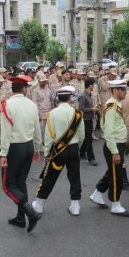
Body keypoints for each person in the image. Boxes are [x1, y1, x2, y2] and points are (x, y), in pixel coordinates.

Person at [33, 86, 85, 216]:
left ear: (58, 98)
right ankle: (75, 205)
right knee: (75, 177)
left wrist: (46, 153)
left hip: (58, 150)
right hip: (73, 149)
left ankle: (39, 204)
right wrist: (76, 146)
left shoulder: (52, 113)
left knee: (49, 177)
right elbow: (82, 135)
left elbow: (49, 136)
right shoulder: (78, 113)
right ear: (69, 98)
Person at [0, 75, 42, 233]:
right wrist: (37, 148)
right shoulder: (32, 104)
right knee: (20, 182)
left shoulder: (8, 104)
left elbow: (5, 132)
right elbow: (37, 129)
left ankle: (29, 212)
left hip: (14, 148)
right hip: (28, 145)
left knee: (7, 185)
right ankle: (20, 217)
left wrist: (3, 154)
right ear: (24, 89)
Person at [90, 78, 129, 217]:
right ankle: (115, 204)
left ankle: (97, 194)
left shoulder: (116, 104)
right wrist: (115, 152)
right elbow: (108, 131)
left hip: (117, 144)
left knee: (112, 172)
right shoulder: (111, 107)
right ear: (115, 91)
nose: (125, 92)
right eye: (122, 89)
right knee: (116, 176)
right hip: (114, 145)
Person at [78, 77, 98, 166]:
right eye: (93, 85)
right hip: (85, 120)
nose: (94, 86)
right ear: (90, 85)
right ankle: (91, 158)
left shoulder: (89, 95)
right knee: (89, 140)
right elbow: (81, 109)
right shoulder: (83, 96)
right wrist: (92, 109)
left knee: (87, 138)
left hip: (90, 119)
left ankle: (82, 153)